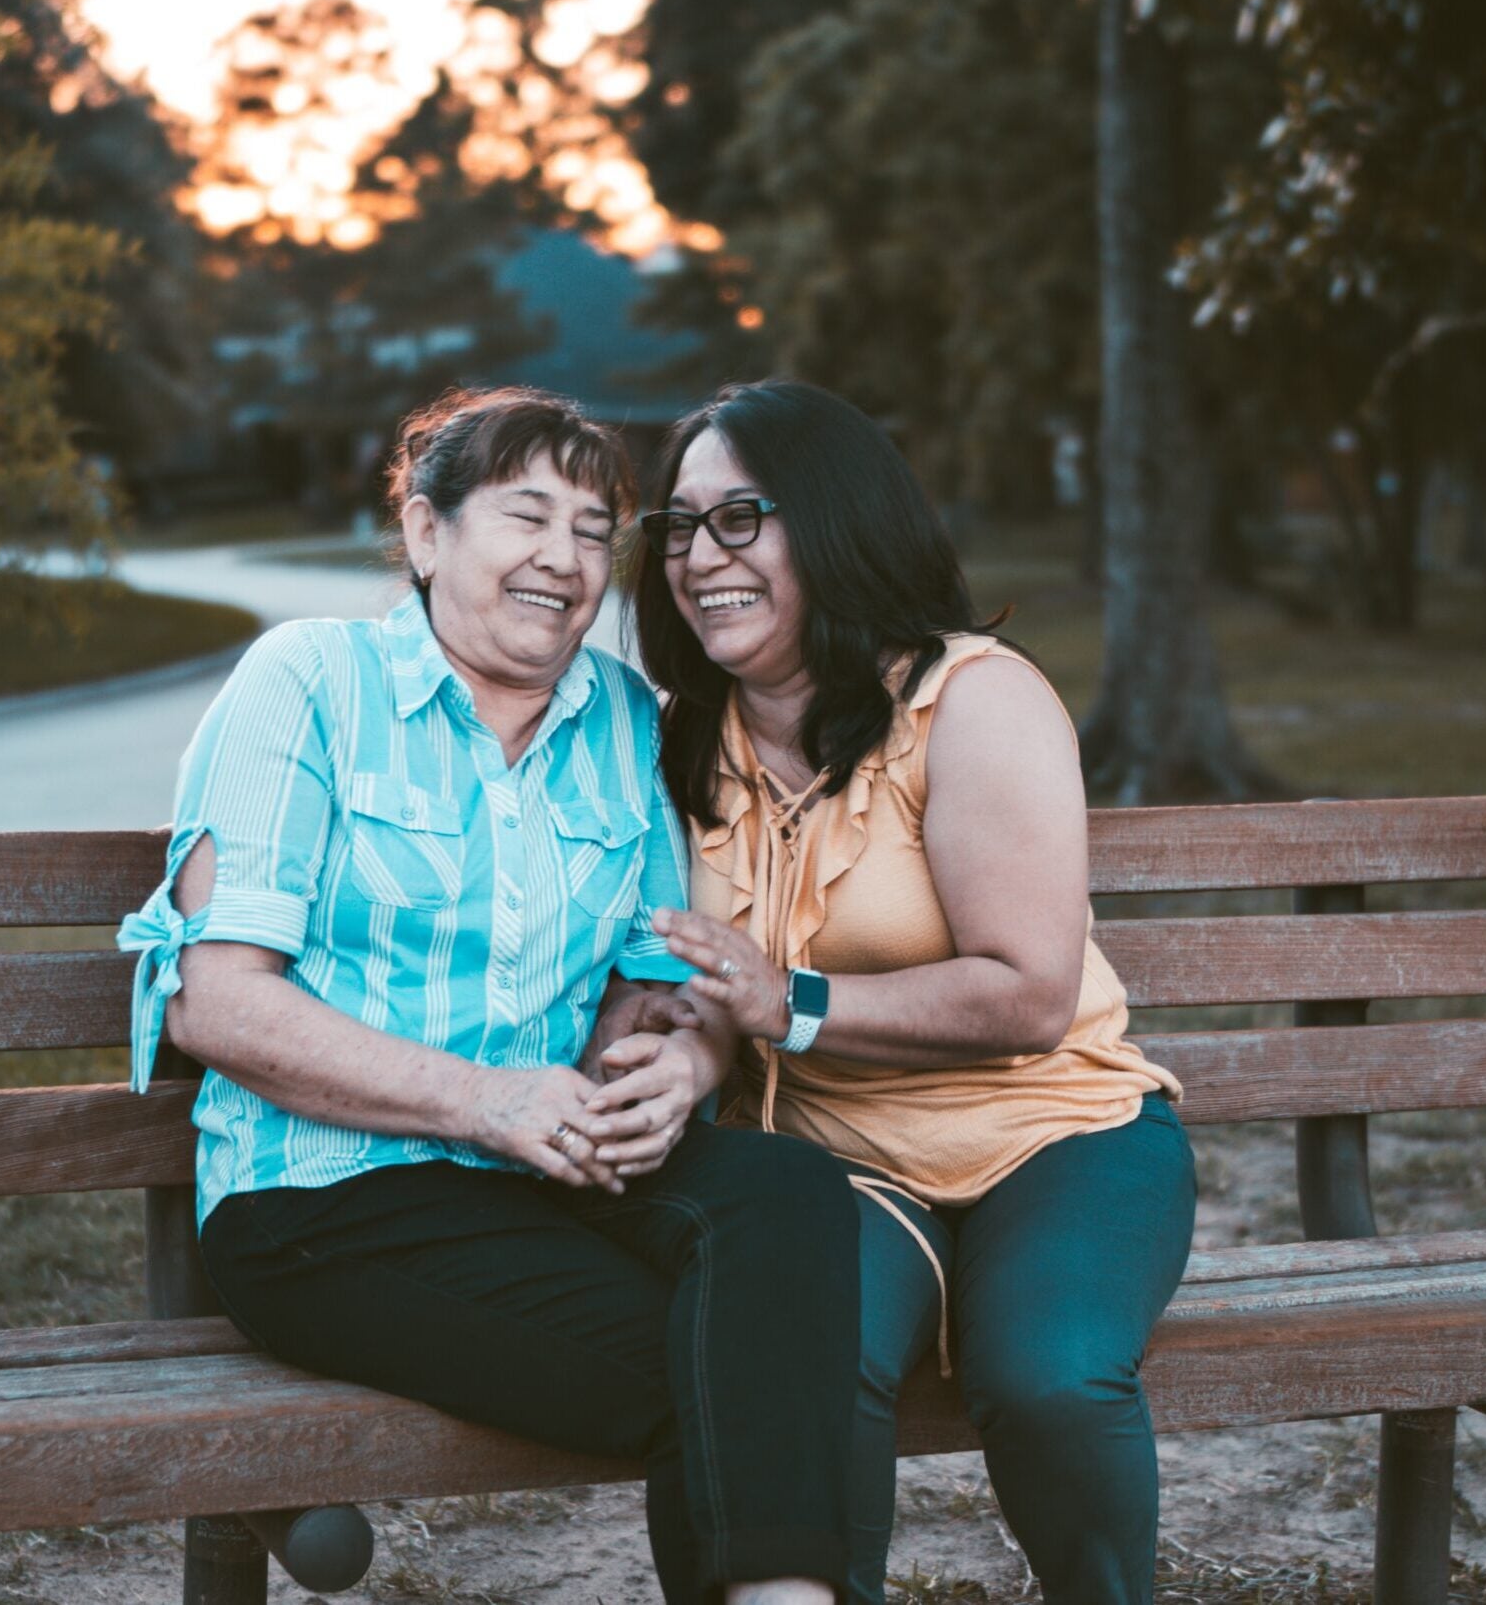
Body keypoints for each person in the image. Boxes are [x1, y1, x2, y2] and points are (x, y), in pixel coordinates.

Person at [117, 387, 862, 1605]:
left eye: (591, 529)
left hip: (546, 1174)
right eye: (527, 516)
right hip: (324, 1205)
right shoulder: (308, 683)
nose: (564, 560)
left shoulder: (625, 720)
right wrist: (480, 1101)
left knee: (783, 1191)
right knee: (732, 1373)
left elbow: (655, 979)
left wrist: (674, 1063)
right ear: (426, 534)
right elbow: (216, 1003)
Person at [624, 380, 1198, 1605]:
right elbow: (701, 985)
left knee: (1048, 1375)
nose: (698, 557)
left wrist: (795, 1004)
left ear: (833, 521)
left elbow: (1030, 993)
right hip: (832, 1162)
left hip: (1058, 1138)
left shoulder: (971, 699)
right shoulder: (681, 738)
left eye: (741, 519)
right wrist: (678, 1045)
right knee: (797, 1377)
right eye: (678, 525)